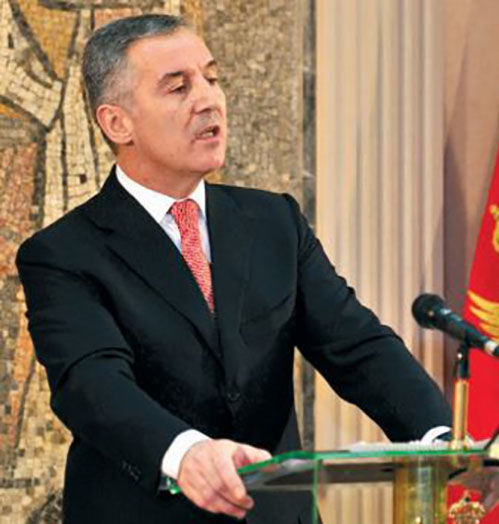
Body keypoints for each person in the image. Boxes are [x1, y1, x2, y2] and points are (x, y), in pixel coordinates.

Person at [16, 14, 455, 524]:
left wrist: (441, 443)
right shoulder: (64, 253)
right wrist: (187, 454)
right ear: (118, 123)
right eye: (178, 87)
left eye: (212, 78)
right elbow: (92, 384)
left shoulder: (274, 222)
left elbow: (358, 347)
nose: (208, 100)